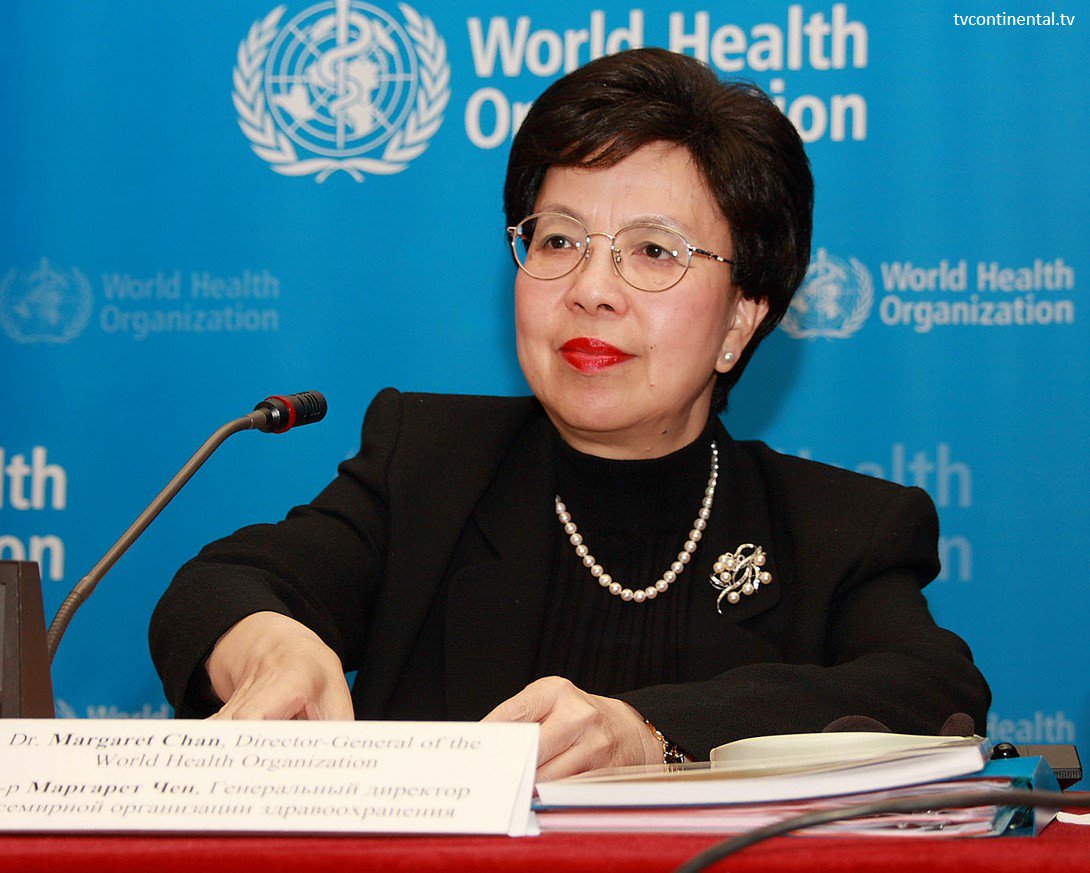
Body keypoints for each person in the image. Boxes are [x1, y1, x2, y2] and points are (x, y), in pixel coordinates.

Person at [150, 48, 990, 780]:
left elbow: (934, 692)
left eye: (653, 251)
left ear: (741, 317)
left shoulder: (839, 530)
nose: (591, 289)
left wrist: (649, 732)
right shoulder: (428, 466)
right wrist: (271, 644)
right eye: (558, 240)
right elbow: (216, 587)